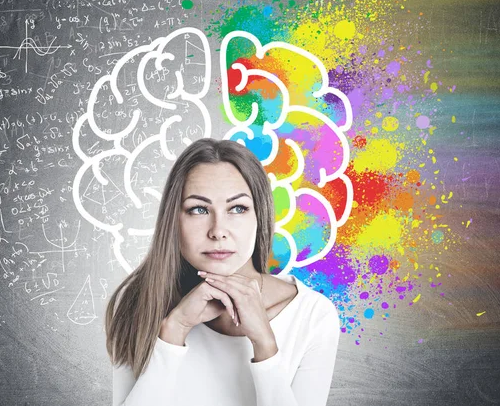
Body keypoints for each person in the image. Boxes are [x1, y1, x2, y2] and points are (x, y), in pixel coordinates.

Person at [105, 138, 340, 406]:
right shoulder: (139, 301)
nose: (218, 230)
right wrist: (173, 332)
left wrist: (265, 344)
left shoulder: (313, 316)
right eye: (199, 209)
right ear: (174, 220)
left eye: (237, 208)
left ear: (259, 216)